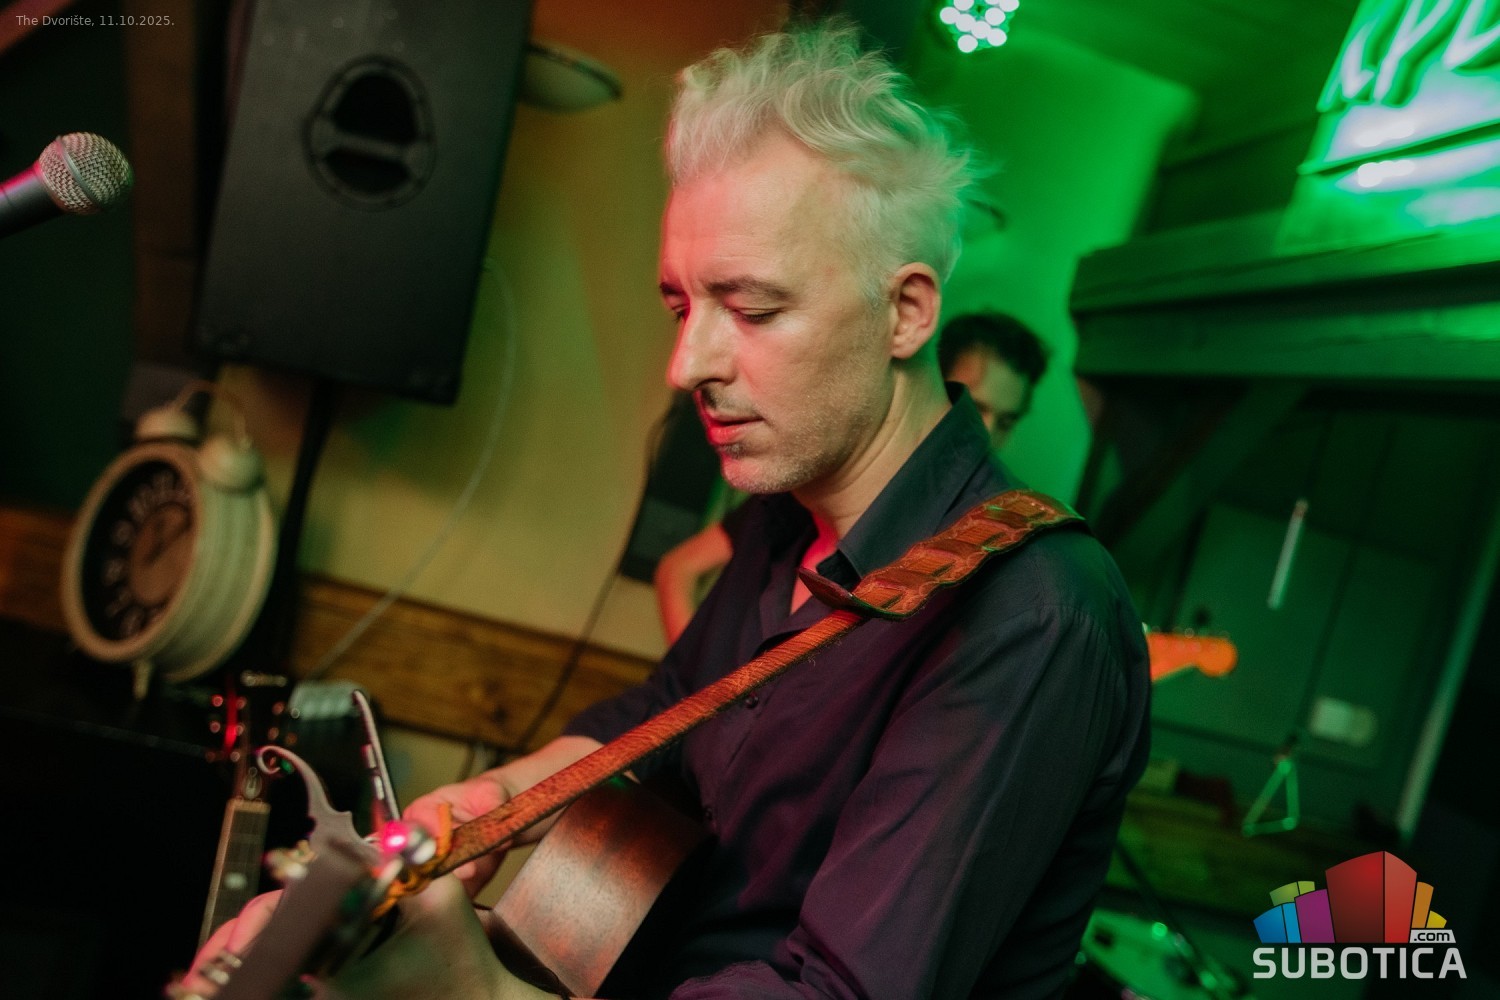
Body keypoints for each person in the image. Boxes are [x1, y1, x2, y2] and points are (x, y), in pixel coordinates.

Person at [189, 19, 1149, 1000]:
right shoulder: (783, 515)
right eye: (682, 307)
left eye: (754, 309)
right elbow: (659, 719)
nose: (686, 366)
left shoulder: (1031, 611)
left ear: (905, 311)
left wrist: (472, 991)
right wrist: (484, 804)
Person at [655, 310, 1049, 644]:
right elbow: (678, 570)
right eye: (975, 407)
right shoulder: (837, 479)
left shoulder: (978, 526)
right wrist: (705, 692)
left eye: (1006, 421)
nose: (987, 432)